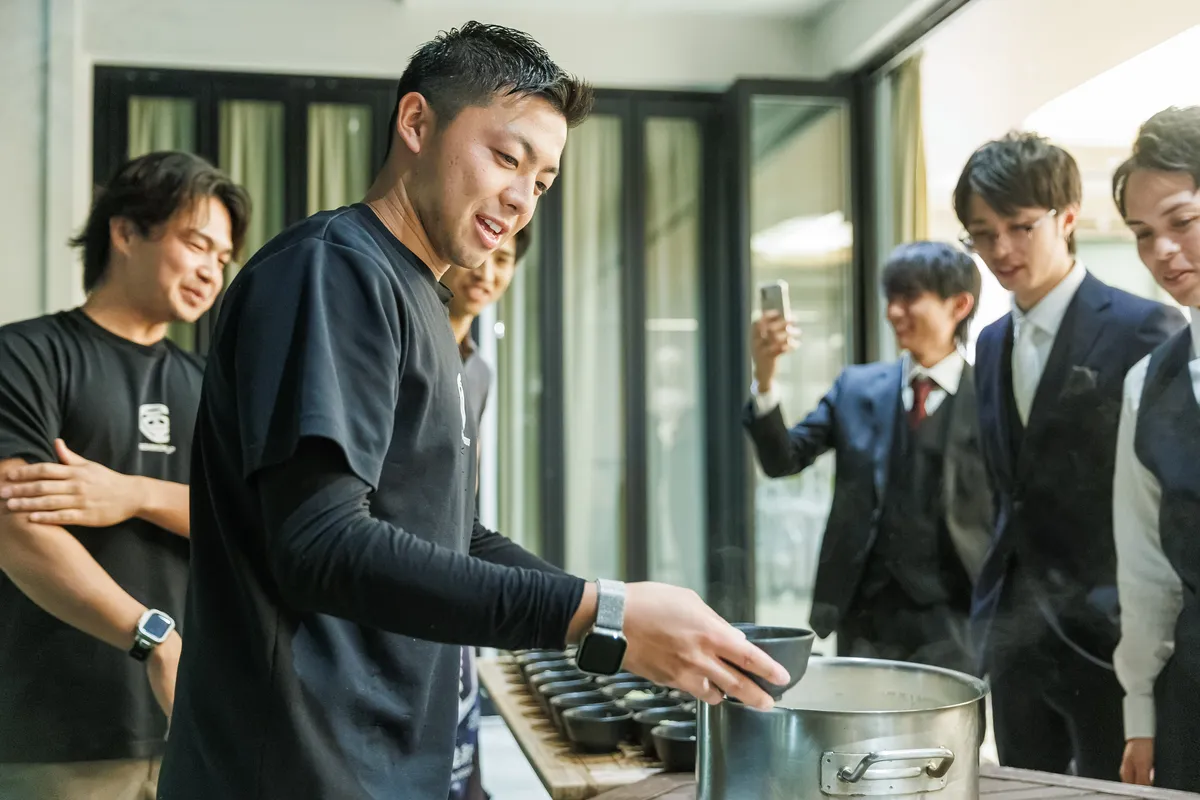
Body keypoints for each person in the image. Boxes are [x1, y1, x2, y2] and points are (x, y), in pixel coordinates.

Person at [157, 22, 787, 800]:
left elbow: (454, 534)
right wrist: (600, 613)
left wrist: (612, 616)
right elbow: (320, 542)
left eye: (544, 181)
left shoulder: (426, 302)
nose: (522, 199)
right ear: (416, 123)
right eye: (507, 158)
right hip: (293, 770)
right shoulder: (333, 270)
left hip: (383, 761)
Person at [0, 151, 248, 800]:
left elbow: (249, 522)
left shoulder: (211, 386)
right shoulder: (24, 356)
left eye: (223, 257)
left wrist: (132, 493)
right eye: (197, 243)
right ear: (127, 231)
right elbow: (13, 526)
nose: (211, 270)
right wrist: (153, 638)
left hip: (194, 734)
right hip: (58, 743)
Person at [958, 131, 1185, 780]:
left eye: (1020, 227)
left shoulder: (1145, 329)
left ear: (1067, 217)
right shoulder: (991, 343)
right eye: (982, 234)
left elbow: (1163, 502)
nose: (1001, 250)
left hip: (1108, 637)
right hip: (1014, 637)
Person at [745, 241, 992, 674]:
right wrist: (765, 376)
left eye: (910, 297)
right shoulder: (856, 389)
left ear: (959, 305)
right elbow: (783, 460)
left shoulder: (992, 399)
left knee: (949, 719)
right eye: (890, 298)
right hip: (863, 614)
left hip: (957, 617)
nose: (894, 311)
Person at [1110, 106, 1200, 792]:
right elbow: (1145, 570)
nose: (1162, 251)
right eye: (1144, 235)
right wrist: (1141, 710)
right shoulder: (1150, 381)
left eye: (1182, 221)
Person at [440, 224, 529, 800]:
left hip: (453, 579)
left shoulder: (479, 370)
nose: (490, 272)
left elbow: (461, 497)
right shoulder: (412, 344)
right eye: (486, 253)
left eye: (506, 259)